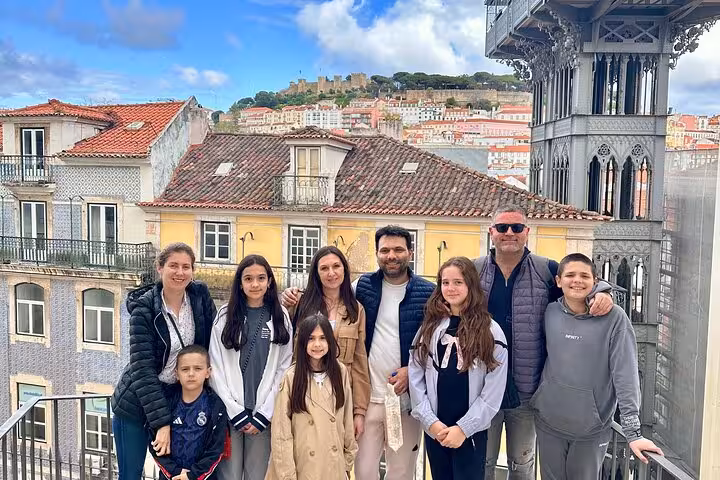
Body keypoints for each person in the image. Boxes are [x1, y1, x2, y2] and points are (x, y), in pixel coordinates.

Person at [282, 225, 435, 480]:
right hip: (364, 398)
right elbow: (330, 298)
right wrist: (288, 297)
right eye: (385, 250)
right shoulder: (362, 287)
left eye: (398, 249)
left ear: (410, 252)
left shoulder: (427, 292)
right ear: (377, 253)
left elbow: (435, 342)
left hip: (404, 398)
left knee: (401, 470)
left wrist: (413, 370)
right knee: (363, 470)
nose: (391, 255)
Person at [478, 206, 615, 479]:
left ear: (527, 233)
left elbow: (576, 283)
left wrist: (602, 291)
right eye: (502, 227)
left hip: (528, 390)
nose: (509, 233)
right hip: (483, 387)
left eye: (516, 228)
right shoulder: (474, 270)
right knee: (483, 462)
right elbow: (446, 293)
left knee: (523, 463)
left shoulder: (545, 270)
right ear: (491, 232)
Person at [530, 253, 663, 479]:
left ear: (595, 282)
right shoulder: (550, 312)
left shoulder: (615, 318)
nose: (577, 280)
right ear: (558, 281)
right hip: (548, 422)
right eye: (570, 275)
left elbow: (626, 375)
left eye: (584, 276)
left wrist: (633, 433)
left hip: (591, 429)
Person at [111, 243, 217, 480]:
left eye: (186, 267)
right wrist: (162, 423)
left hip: (178, 401)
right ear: (160, 268)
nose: (180, 272)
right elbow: (142, 369)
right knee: (130, 475)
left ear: (193, 271)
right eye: (173, 266)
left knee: (176, 474)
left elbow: (214, 342)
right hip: (137, 405)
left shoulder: (199, 297)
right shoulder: (145, 309)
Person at [409, 257, 508, 480]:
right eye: (445, 283)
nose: (451, 288)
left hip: (470, 431)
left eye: (458, 282)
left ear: (470, 285)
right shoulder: (431, 327)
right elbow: (416, 373)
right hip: (437, 428)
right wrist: (430, 422)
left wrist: (464, 428)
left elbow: (493, 391)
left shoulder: (490, 331)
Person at [209, 255, 293, 480]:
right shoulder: (225, 316)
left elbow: (283, 369)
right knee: (229, 475)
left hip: (262, 415)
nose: (255, 284)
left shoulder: (280, 316)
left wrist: (264, 413)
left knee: (259, 475)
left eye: (261, 278)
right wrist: (234, 411)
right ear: (240, 283)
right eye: (248, 278)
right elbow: (215, 367)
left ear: (269, 282)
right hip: (230, 415)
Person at [289, 246, 370, 438]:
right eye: (324, 268)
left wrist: (359, 411)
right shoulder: (300, 304)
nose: (331, 273)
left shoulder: (356, 310)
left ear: (344, 270)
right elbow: (287, 352)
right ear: (316, 273)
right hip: (305, 393)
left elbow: (359, 362)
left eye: (336, 266)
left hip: (341, 396)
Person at [266, 313, 358, 480]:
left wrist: (347, 460)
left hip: (332, 463)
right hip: (302, 464)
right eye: (311, 338)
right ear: (302, 342)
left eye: (323, 338)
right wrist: (287, 474)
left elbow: (347, 419)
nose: (317, 344)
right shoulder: (292, 377)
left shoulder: (340, 372)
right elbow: (281, 431)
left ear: (330, 341)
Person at [149, 345, 229, 480]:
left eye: (198, 368)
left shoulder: (216, 407)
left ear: (208, 372)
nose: (191, 374)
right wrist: (176, 471)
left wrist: (192, 475)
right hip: (171, 476)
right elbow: (153, 443)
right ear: (176, 373)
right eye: (185, 369)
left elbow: (216, 449)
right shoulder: (166, 403)